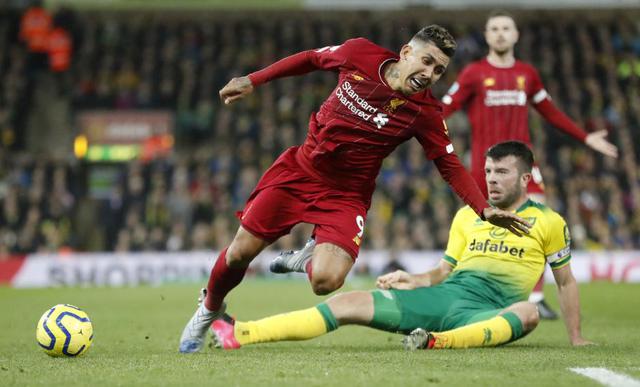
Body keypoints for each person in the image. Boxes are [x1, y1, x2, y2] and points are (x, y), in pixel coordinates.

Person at [178, 25, 531, 353]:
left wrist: (483, 208)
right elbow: (310, 59)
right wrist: (254, 80)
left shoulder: (425, 113)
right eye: (426, 61)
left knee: (327, 282)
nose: (430, 74)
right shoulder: (358, 54)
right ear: (406, 52)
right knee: (240, 253)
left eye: (439, 70)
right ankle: (209, 311)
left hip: (346, 195)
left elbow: (449, 164)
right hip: (300, 171)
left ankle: (307, 258)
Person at [210, 141, 593, 351]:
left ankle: (438, 342)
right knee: (345, 303)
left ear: (525, 178)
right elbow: (444, 271)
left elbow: (565, 282)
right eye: (488, 171)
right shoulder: (467, 216)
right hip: (445, 298)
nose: (491, 179)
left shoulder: (549, 221)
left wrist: (575, 337)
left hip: (490, 311)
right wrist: (413, 279)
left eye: (502, 172)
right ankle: (241, 332)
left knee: (528, 312)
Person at [440, 11, 618, 319]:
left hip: (523, 166)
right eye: (494, 28)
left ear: (515, 35)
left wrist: (585, 137)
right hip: (486, 169)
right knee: (477, 231)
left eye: (505, 28)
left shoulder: (527, 74)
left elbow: (549, 111)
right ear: (486, 35)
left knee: (536, 219)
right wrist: (413, 124)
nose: (499, 33)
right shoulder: (473, 74)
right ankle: (469, 294)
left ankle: (534, 296)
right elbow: (444, 108)